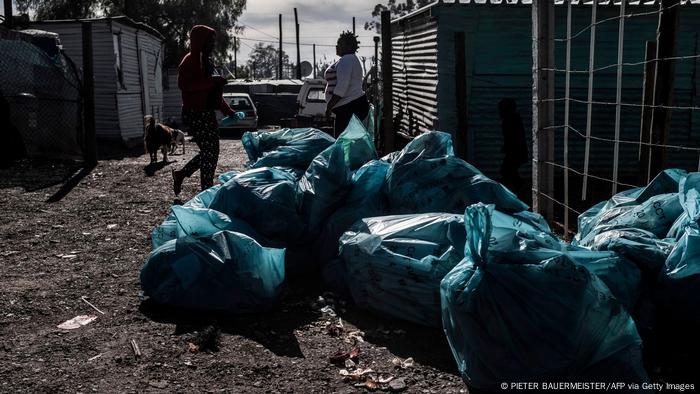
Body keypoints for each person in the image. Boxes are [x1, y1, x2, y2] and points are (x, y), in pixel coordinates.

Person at [172, 25, 235, 195]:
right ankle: (206, 191)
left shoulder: (206, 62)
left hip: (206, 113)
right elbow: (183, 85)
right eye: (210, 41)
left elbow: (214, 94)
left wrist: (229, 112)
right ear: (200, 42)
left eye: (214, 42)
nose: (213, 45)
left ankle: (182, 175)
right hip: (194, 114)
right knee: (210, 152)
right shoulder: (189, 61)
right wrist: (211, 81)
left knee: (210, 151)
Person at [324, 31, 369, 137]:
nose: (337, 46)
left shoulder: (347, 60)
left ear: (348, 46)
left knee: (342, 143)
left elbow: (341, 88)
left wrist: (329, 106)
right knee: (344, 142)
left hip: (351, 107)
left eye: (340, 43)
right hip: (349, 107)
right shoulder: (348, 60)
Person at [498, 98, 528, 194]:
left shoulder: (510, 120)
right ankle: (519, 188)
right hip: (516, 151)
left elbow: (513, 137)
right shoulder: (513, 119)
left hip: (515, 151)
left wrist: (507, 147)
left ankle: (519, 188)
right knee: (508, 171)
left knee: (506, 170)